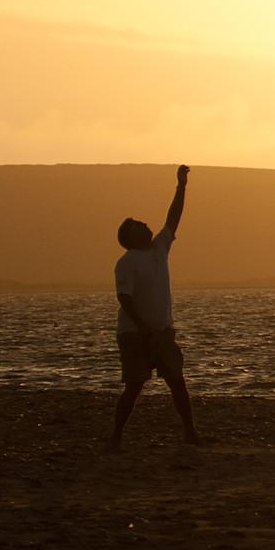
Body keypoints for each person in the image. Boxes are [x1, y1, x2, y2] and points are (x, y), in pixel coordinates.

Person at [108, 165, 199, 451]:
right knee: (134, 386)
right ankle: (115, 437)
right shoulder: (127, 262)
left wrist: (181, 186)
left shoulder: (159, 249)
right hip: (134, 335)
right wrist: (142, 326)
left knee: (177, 381)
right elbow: (124, 298)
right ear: (130, 237)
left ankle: (190, 433)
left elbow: (174, 217)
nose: (147, 226)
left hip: (161, 331)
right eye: (139, 226)